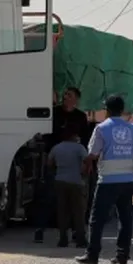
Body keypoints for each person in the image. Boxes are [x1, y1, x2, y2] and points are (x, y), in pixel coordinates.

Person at [77, 95, 133, 264]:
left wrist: (85, 164)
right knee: (125, 219)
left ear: (107, 110)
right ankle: (122, 257)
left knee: (97, 219)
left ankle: (92, 255)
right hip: (128, 180)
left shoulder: (101, 128)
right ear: (122, 110)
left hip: (107, 180)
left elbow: (93, 154)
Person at [35, 87, 89, 243]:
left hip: (73, 162)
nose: (65, 97)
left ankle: (75, 232)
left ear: (76, 99)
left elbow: (85, 139)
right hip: (54, 158)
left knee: (75, 202)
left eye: (69, 95)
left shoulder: (80, 117)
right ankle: (40, 230)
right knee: (48, 198)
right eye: (64, 94)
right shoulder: (55, 113)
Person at [49, 123, 89, 248]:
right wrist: (84, 174)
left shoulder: (56, 148)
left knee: (62, 211)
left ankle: (63, 239)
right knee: (78, 212)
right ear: (74, 135)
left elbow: (49, 163)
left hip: (60, 181)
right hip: (76, 182)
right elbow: (86, 162)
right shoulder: (79, 148)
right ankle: (80, 239)